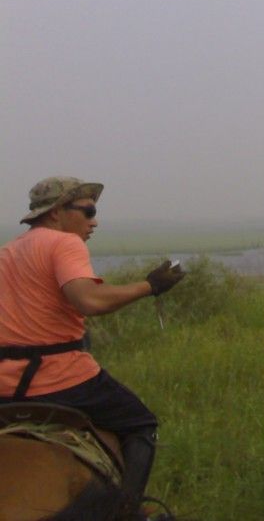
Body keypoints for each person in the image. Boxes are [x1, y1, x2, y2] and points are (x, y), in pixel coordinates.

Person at [0, 176, 185, 513]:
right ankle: (128, 511)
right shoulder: (63, 243)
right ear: (56, 213)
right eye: (87, 211)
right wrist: (150, 285)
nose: (93, 221)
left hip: (5, 388)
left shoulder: (8, 252)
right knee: (141, 423)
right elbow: (89, 300)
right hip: (61, 380)